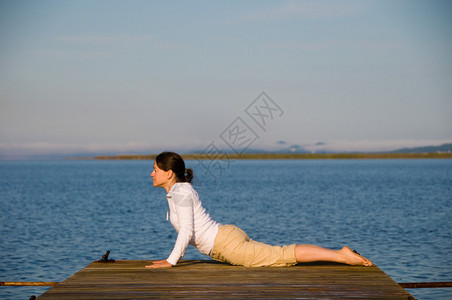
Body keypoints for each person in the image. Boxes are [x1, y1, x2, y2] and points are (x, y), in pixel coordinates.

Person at [145, 152, 372, 269]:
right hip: (225, 238)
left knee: (283, 255)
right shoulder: (178, 191)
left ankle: (341, 256)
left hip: (225, 244)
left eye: (155, 169)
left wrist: (171, 261)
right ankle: (339, 254)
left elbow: (186, 231)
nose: (152, 174)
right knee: (279, 252)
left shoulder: (181, 193)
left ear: (169, 173)